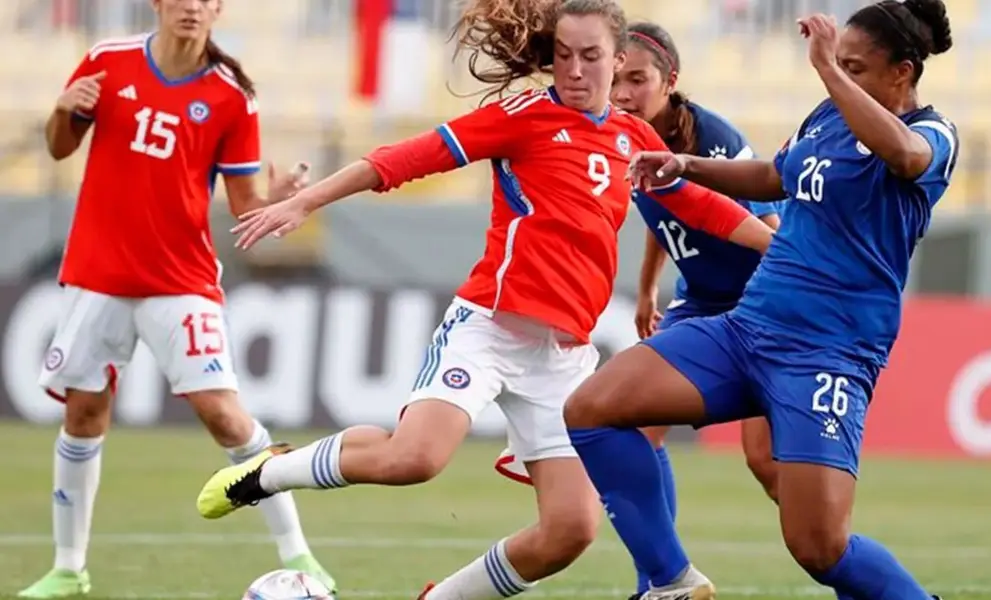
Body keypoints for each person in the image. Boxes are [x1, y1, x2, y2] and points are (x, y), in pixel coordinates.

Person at [193, 2, 775, 600]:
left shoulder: (635, 137)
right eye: (563, 56)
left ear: (618, 58)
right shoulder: (522, 116)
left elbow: (699, 204)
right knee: (414, 459)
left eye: (591, 57)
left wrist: (776, 243)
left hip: (563, 357)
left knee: (570, 530)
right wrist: (306, 202)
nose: (574, 70)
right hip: (491, 327)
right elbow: (404, 159)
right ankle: (270, 472)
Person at [563, 1, 958, 600]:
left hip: (827, 354)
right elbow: (776, 176)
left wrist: (827, 68)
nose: (841, 75)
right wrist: (684, 166)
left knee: (820, 548)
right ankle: (669, 582)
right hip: (747, 328)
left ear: (902, 73)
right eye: (839, 64)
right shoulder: (828, 116)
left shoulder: (934, 135)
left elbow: (903, 156)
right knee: (591, 408)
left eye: (857, 67)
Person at [18, 1, 337, 598]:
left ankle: (301, 556)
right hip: (98, 275)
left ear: (217, 9)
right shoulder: (107, 63)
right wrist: (62, 110)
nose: (191, 6)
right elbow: (61, 147)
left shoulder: (231, 94)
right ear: (159, 3)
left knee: (224, 414)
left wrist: (274, 199)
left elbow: (243, 207)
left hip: (179, 282)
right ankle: (68, 569)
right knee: (83, 414)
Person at [490, 20, 784, 600]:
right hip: (697, 303)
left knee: (767, 464)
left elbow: (765, 228)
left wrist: (767, 316)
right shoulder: (627, 138)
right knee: (628, 426)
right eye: (617, 79)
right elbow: (666, 211)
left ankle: (829, 546)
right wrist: (650, 288)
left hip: (759, 306)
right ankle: (660, 580)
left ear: (670, 82)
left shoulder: (714, 142)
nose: (622, 92)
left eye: (637, 80)